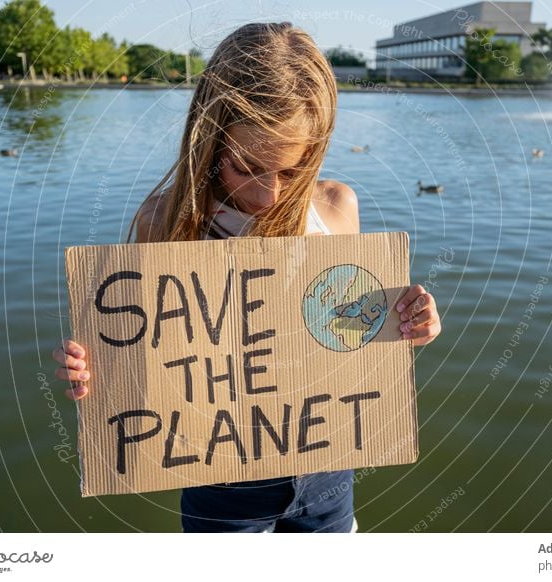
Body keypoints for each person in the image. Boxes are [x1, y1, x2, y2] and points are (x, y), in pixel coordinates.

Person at [52, 22, 441, 533]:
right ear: (209, 136)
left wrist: (408, 327)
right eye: (246, 165)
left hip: (327, 474)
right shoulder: (163, 224)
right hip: (220, 483)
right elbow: (140, 365)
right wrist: (95, 374)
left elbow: (351, 339)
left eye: (291, 170)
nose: (268, 197)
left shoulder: (336, 210)